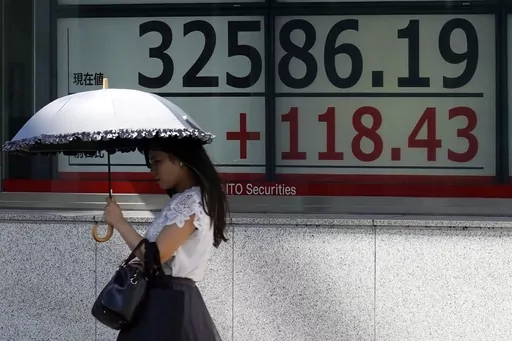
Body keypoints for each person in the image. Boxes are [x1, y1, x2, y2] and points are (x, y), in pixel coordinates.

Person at [102, 137, 228, 341]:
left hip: (169, 307)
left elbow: (156, 256)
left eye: (157, 161)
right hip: (164, 303)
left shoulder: (191, 201)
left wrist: (120, 223)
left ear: (179, 159)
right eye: (149, 163)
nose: (152, 169)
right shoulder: (185, 199)